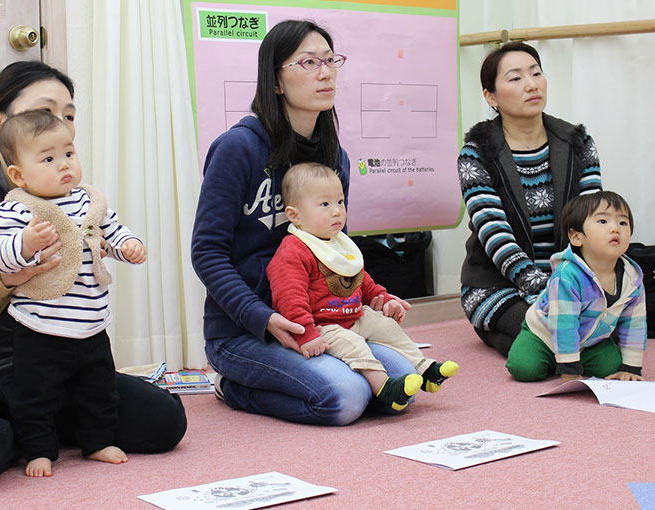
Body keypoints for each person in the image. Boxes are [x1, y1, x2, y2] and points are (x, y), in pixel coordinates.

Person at [0, 61, 186, 485]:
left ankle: (36, 426)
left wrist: (122, 246)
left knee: (164, 421)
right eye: (45, 112)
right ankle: (31, 432)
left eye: (68, 116)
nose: (58, 126)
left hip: (53, 362)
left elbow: (110, 231)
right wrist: (8, 275)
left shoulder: (73, 194)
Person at [191, 19, 420, 426]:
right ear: (275, 81)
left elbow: (337, 248)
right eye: (309, 62)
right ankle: (231, 384)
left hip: (326, 322)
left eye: (330, 60)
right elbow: (207, 252)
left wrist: (373, 298)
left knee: (403, 381)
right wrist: (258, 316)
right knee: (345, 399)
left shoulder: (335, 157)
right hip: (246, 330)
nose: (325, 72)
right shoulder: (237, 149)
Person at [0, 110, 147, 477]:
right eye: (48, 159)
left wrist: (128, 245)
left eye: (69, 153)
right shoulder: (15, 209)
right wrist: (24, 244)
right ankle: (38, 449)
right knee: (34, 395)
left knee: (99, 389)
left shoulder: (90, 201)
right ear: (18, 175)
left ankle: (98, 441)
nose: (64, 166)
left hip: (90, 324)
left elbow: (111, 232)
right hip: (39, 328)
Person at [267, 162, 458, 410]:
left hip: (354, 316)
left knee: (387, 326)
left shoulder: (338, 243)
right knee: (353, 345)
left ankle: (426, 370)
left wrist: (381, 297)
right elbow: (289, 298)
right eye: (325, 205)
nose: (337, 211)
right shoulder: (293, 250)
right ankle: (384, 388)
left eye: (340, 202)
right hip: (323, 326)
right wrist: (306, 333)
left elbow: (360, 278)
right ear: (295, 215)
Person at [457, 41, 603, 356]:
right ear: (491, 97)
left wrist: (572, 287)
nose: (531, 84)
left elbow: (592, 223)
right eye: (515, 78)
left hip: (567, 282)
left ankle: (515, 337)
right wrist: (542, 290)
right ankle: (506, 327)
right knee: (556, 337)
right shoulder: (476, 152)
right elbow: (494, 232)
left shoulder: (578, 143)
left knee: (590, 337)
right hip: (496, 285)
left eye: (536, 73)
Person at [506, 191, 647, 382]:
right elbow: (564, 322)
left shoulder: (633, 277)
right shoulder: (568, 275)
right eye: (603, 222)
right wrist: (570, 369)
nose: (615, 228)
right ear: (576, 237)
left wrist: (631, 367)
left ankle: (568, 358)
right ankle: (552, 355)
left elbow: (635, 323)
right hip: (545, 333)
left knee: (611, 367)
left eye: (623, 223)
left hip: (590, 341)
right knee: (524, 368)